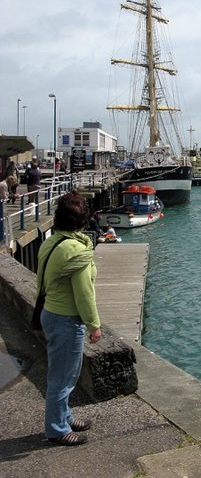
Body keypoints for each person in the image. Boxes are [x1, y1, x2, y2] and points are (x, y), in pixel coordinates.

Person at [37, 190, 102, 446]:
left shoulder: (51, 242)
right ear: (82, 220)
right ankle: (56, 430)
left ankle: (64, 416)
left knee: (62, 374)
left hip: (50, 312)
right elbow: (84, 293)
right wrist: (94, 325)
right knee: (63, 379)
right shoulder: (76, 251)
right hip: (66, 319)